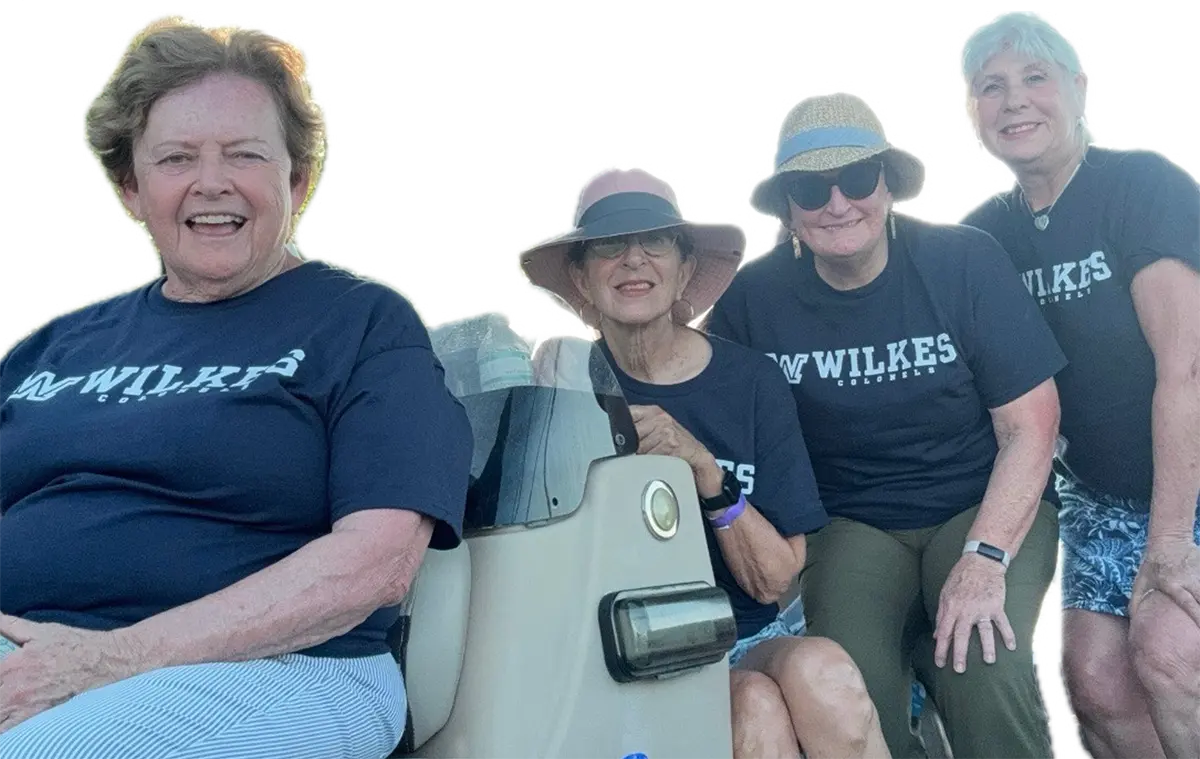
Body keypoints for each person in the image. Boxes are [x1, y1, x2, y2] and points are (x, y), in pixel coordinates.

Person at [0, 10, 473, 759]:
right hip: (31, 656)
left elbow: (375, 563)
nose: (211, 182)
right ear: (130, 185)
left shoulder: (362, 324)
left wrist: (104, 658)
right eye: (177, 157)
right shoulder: (49, 349)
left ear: (297, 176)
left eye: (244, 154)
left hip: (286, 667)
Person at [703, 87, 1067, 759]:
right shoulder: (754, 298)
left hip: (979, 502)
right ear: (788, 207)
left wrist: (985, 557)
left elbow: (1032, 424)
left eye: (857, 178)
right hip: (851, 519)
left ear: (889, 185)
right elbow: (698, 386)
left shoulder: (963, 262)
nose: (838, 203)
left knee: (981, 658)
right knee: (849, 683)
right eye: (812, 190)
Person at [517, 161, 892, 759]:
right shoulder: (560, 389)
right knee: (753, 709)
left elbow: (776, 580)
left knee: (827, 675)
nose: (634, 260)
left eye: (656, 242)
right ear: (583, 280)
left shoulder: (752, 382)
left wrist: (702, 469)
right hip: (623, 651)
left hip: (748, 631)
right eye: (610, 245)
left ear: (685, 267)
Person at [953, 10, 1200, 759]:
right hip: (1095, 491)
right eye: (991, 86)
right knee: (1093, 680)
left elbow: (1185, 369)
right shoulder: (983, 235)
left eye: (1035, 78)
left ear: (1079, 88)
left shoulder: (1141, 184)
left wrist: (1167, 545)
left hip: (1188, 481)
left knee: (1166, 648)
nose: (1014, 100)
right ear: (972, 113)